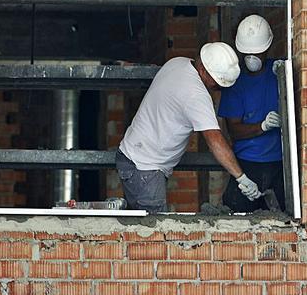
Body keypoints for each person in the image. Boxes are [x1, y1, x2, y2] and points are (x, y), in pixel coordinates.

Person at [116, 42, 263, 213]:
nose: (217, 88)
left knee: (144, 229)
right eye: (217, 84)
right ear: (204, 70)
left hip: (135, 158)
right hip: (145, 167)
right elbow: (215, 140)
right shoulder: (196, 95)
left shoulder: (178, 63)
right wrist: (241, 177)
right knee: (154, 233)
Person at [218, 15, 285, 212]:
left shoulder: (279, 73)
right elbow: (234, 131)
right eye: (247, 53)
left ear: (267, 48)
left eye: (256, 53)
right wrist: (262, 126)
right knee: (237, 218)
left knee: (286, 220)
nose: (252, 58)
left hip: (280, 164)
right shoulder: (235, 82)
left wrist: (285, 75)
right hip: (248, 164)